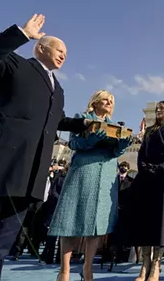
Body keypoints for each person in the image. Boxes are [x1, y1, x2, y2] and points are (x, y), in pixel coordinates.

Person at [0, 14, 89, 281]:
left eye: (67, 53)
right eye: (60, 50)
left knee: (3, 238)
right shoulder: (16, 65)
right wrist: (21, 33)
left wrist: (85, 125)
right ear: (41, 48)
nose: (64, 56)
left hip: (30, 170)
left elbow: (56, 122)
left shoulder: (58, 89)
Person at [49, 90, 132, 281]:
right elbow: (74, 144)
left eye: (112, 101)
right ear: (94, 102)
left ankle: (88, 267)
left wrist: (121, 147)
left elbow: (114, 153)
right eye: (105, 99)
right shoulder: (83, 118)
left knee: (96, 224)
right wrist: (89, 140)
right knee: (70, 220)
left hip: (105, 176)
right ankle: (65, 269)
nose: (109, 103)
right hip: (84, 171)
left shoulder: (114, 126)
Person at [127, 101, 164, 281]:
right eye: (157, 108)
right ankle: (145, 264)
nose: (158, 110)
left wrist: (161, 169)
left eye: (162, 108)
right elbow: (141, 153)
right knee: (146, 222)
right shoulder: (150, 131)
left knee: (161, 223)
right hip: (146, 179)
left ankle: (156, 265)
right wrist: (144, 168)